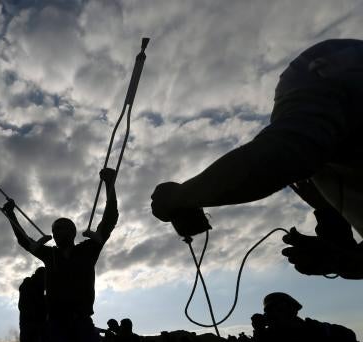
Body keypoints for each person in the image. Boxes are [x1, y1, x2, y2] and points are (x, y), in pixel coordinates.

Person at [151, 39, 363, 279]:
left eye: (301, 115)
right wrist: (340, 252)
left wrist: (179, 197)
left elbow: (283, 153)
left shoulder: (326, 87)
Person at [2, 167, 123, 342]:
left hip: (82, 322)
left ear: (72, 232)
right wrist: (11, 216)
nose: (59, 233)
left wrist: (110, 184)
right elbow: (24, 241)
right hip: (56, 323)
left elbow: (110, 218)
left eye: (64, 229)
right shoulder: (50, 255)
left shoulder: (88, 250)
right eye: (55, 230)